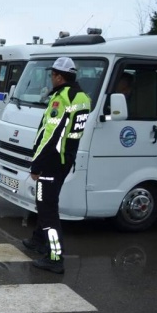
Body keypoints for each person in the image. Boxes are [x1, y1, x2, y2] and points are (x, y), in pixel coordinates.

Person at [22, 57, 91, 274]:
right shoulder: (81, 97)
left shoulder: (61, 98)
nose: (51, 79)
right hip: (64, 159)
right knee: (44, 203)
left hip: (52, 161)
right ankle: (38, 239)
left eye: (52, 75)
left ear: (59, 77)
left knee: (48, 209)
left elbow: (51, 135)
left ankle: (54, 257)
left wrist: (36, 164)